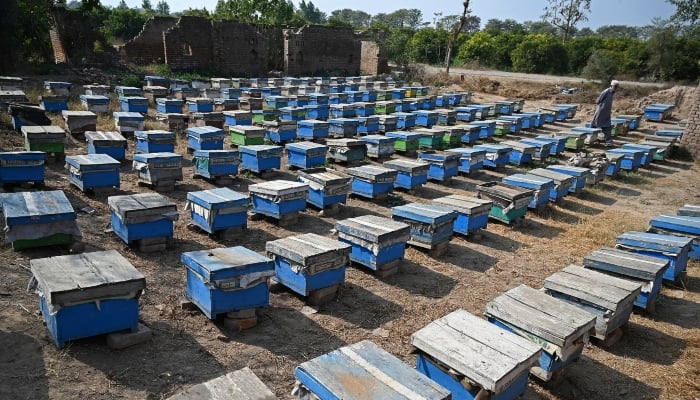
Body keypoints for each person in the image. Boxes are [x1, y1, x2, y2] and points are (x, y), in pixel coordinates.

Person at [591, 80, 619, 146]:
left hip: (607, 113)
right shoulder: (606, 91)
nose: (615, 87)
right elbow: (598, 100)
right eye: (615, 86)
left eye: (616, 86)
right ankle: (590, 139)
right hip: (601, 112)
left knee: (607, 126)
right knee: (595, 125)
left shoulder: (612, 92)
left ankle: (609, 141)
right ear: (611, 85)